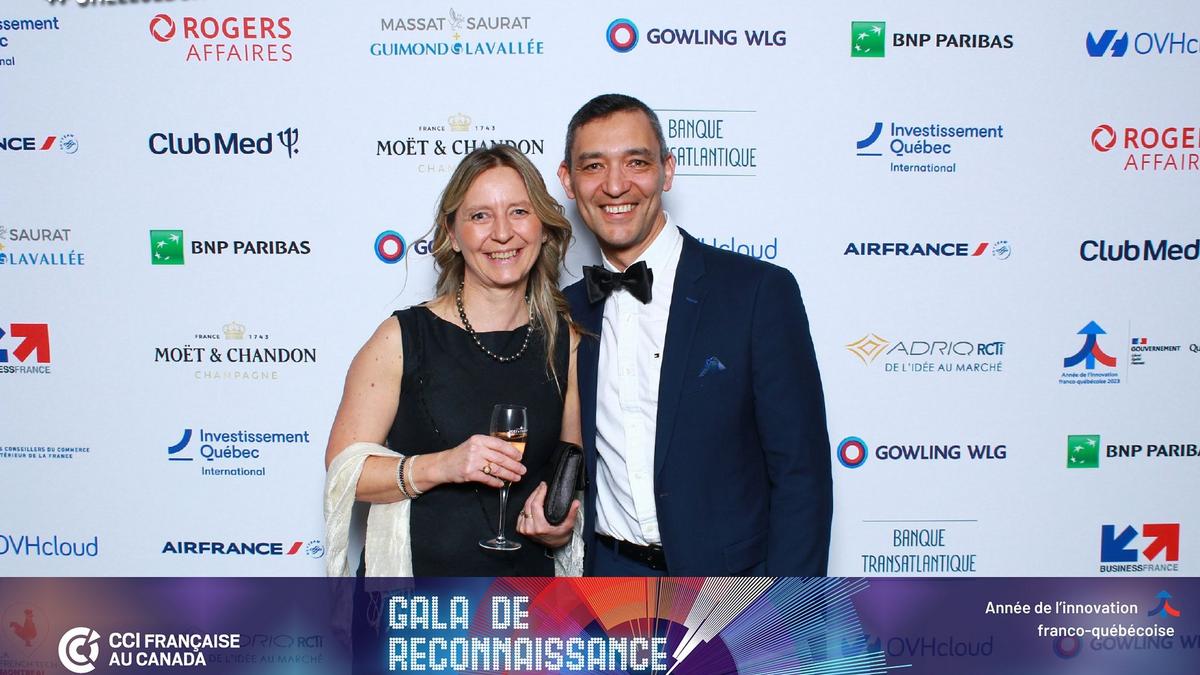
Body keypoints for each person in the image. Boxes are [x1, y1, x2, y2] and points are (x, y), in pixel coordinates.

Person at [558, 94, 832, 576]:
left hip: (731, 586)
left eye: (636, 162)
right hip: (608, 580)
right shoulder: (568, 311)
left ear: (667, 171)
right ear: (568, 180)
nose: (615, 185)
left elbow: (801, 474)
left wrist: (787, 608)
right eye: (594, 166)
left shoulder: (756, 293)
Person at [324, 145, 582, 577]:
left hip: (528, 596)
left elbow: (566, 477)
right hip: (420, 596)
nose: (503, 233)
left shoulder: (564, 341)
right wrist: (442, 465)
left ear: (542, 227)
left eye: (519, 212)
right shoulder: (401, 337)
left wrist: (558, 528)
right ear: (452, 234)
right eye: (480, 216)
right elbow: (344, 473)